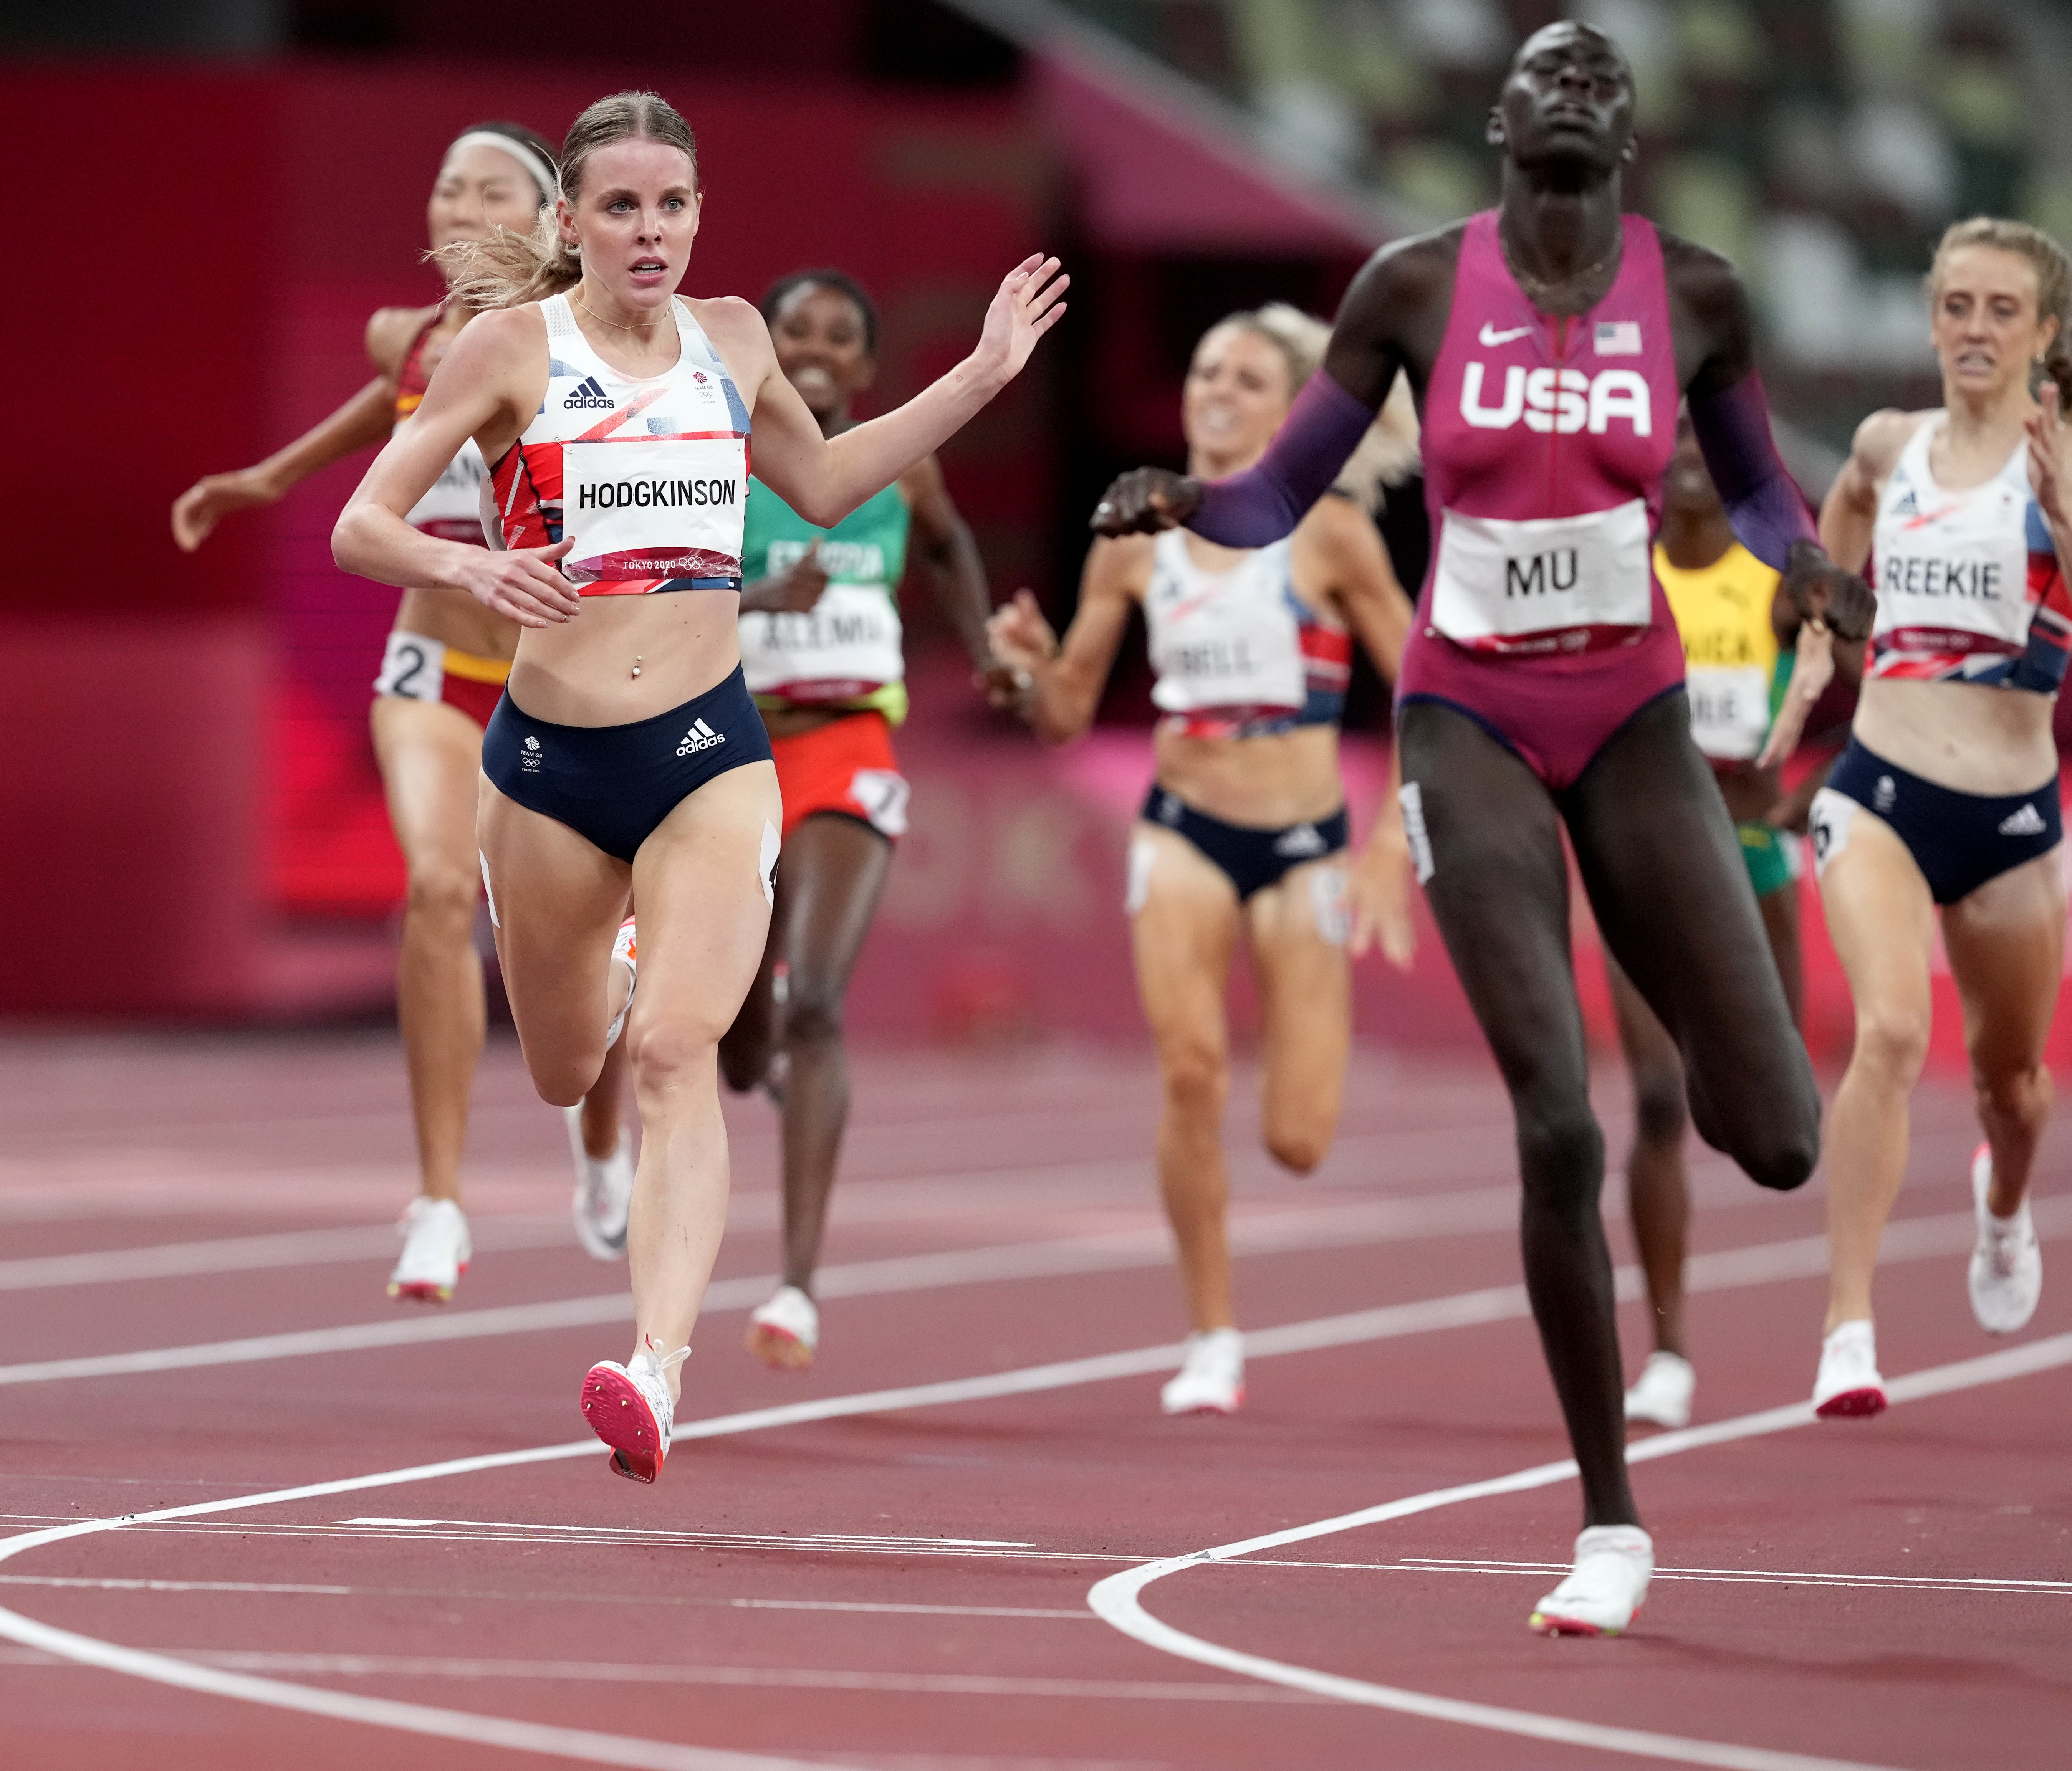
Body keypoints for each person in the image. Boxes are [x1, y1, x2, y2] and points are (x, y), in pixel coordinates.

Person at [1088, 22, 1874, 1636]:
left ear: (1631, 134)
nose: (1576, 84)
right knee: (1558, 1122)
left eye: (1604, 73)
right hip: (1467, 719)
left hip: (1638, 718)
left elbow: (1765, 488)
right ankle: (1606, 1517)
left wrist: (1801, 562)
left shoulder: (1699, 293)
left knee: (1782, 1133)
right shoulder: (1412, 286)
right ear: (1502, 120)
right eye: (1548, 71)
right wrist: (1179, 493)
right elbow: (1273, 501)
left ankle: (1730, 1111)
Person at [331, 91, 1065, 1483]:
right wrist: (470, 567)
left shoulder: (732, 339)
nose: (650, 231)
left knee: (678, 1058)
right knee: (566, 1067)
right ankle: (596, 975)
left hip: (707, 757)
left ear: (699, 216)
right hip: (546, 770)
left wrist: (978, 373)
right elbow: (362, 524)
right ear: (569, 223)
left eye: (672, 205)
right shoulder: (507, 350)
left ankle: (654, 1368)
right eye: (620, 207)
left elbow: (835, 480)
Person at [171, 123, 638, 1303]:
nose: (459, 207)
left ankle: (598, 1135)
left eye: (492, 190)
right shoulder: (411, 336)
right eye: (444, 188)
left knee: (578, 953)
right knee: (437, 889)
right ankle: (437, 1201)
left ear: (553, 222)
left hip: (563, 678)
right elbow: (387, 407)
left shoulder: (593, 344)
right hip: (434, 666)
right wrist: (269, 479)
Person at [986, 304, 1418, 1415]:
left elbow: (1429, 691)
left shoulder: (1327, 534)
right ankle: (1210, 1333)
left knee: (1298, 1138)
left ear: (1289, 414)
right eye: (1202, 372)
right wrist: (1029, 672)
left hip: (1304, 847)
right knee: (1187, 1072)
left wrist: (1387, 849)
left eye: (1244, 380)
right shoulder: (1134, 537)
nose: (1216, 394)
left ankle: (1234, 1278)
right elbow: (1066, 717)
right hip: (1180, 827)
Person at [1764, 217, 2072, 1419]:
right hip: (1878, 787)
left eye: (2000, 311)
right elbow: (1828, 536)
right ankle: (1847, 1331)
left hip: (2008, 818)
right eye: (1956, 306)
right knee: (1885, 1032)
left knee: (2013, 1089)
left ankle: (2000, 1212)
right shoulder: (1890, 445)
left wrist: (2063, 513)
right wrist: (1819, 651)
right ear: (1930, 319)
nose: (1974, 329)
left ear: (2042, 334)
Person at [712, 267, 1019, 1371]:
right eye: (796, 328)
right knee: (739, 1048)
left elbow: (944, 546)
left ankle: (795, 1285)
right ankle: (759, 1059)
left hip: (846, 743)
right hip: (729, 751)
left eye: (841, 337)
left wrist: (982, 652)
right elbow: (646, 585)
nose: (816, 348)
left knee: (818, 1007)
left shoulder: (900, 462)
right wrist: (753, 599)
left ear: (867, 369)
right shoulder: (719, 455)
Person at [1608, 435, 1853, 1431]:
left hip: (1749, 856)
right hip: (1639, 848)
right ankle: (1665, 1350)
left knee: (1768, 1122)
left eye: (1711, 438)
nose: (1690, 457)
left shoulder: (1774, 583)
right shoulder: (1625, 575)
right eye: (1670, 444)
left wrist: (1814, 787)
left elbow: (1886, 673)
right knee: (1657, 1103)